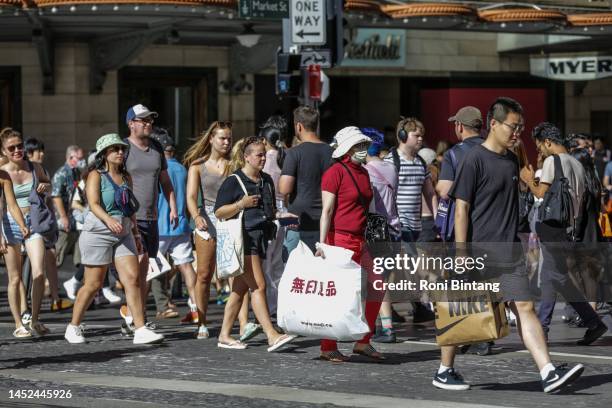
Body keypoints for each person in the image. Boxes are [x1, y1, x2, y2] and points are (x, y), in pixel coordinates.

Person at [433, 97, 585, 393]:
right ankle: (444, 370)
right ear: (493, 123)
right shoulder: (473, 159)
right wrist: (462, 252)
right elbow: (461, 208)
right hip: (477, 251)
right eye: (513, 127)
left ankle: (548, 372)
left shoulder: (512, 158)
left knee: (525, 307)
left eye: (521, 127)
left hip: (508, 250)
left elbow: (528, 187)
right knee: (461, 311)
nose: (518, 132)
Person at [64, 133, 163, 344]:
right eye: (114, 149)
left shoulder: (127, 177)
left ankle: (140, 329)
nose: (120, 152)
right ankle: (73, 327)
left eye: (121, 149)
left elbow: (130, 208)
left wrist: (136, 233)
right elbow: (94, 203)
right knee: (93, 283)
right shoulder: (96, 175)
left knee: (133, 280)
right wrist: (109, 220)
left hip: (124, 231)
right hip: (98, 232)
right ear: (104, 154)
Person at [521, 122, 607, 344]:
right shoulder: (577, 164)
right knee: (560, 280)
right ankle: (593, 322)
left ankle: (543, 328)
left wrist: (529, 180)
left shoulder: (552, 161)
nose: (540, 150)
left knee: (551, 278)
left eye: (540, 146)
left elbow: (541, 194)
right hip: (569, 229)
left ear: (548, 142)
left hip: (553, 228)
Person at [214, 136, 295, 351]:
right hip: (243, 240)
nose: (263, 159)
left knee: (238, 290)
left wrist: (285, 216)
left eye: (264, 155)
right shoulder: (234, 181)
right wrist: (241, 204)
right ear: (246, 157)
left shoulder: (266, 180)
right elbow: (219, 212)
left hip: (261, 240)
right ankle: (271, 334)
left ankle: (224, 335)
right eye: (259, 155)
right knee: (258, 286)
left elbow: (270, 211)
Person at [317, 127, 384, 362]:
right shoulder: (334, 172)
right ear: (347, 149)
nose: (363, 150)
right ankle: (328, 345)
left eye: (364, 146)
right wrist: (322, 243)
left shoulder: (364, 173)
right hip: (339, 239)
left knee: (378, 285)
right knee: (340, 294)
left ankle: (363, 340)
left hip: (361, 238)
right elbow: (327, 210)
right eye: (358, 146)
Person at [119, 104, 178, 335]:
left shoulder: (155, 148)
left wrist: (173, 207)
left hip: (152, 218)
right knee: (136, 270)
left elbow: (164, 181)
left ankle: (133, 315)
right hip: (130, 219)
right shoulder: (122, 148)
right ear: (131, 123)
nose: (148, 124)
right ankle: (137, 320)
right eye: (142, 120)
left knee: (145, 273)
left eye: (150, 120)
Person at [384, 117, 437, 323]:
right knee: (412, 267)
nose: (421, 139)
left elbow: (429, 192)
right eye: (416, 135)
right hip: (398, 225)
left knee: (400, 270)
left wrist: (436, 218)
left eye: (422, 135)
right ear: (403, 136)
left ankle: (401, 309)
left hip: (415, 225)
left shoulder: (421, 163)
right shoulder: (391, 162)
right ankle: (416, 306)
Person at [1, 128, 51, 338]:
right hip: (10, 223)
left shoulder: (34, 167)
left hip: (34, 222)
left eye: (19, 145)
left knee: (39, 272)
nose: (17, 150)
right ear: (3, 150)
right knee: (15, 277)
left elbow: (48, 187)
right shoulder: (2, 172)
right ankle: (18, 323)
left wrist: (44, 187)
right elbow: (6, 204)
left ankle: (35, 318)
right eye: (11, 147)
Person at [185, 121, 232, 339]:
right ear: (211, 139)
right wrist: (196, 217)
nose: (226, 142)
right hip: (207, 219)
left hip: (231, 218)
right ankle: (201, 322)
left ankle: (235, 322)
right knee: (204, 274)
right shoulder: (198, 165)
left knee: (234, 273)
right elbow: (191, 197)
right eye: (222, 138)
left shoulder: (235, 164)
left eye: (229, 138)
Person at [152, 128, 198, 324]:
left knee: (149, 268)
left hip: (160, 226)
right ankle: (196, 307)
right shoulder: (183, 169)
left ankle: (134, 312)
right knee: (186, 266)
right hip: (180, 225)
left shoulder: (156, 169)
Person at [24, 138, 72, 312]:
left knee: (50, 258)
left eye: (42, 150)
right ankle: (26, 305)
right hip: (28, 223)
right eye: (39, 151)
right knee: (29, 266)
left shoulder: (42, 170)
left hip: (44, 222)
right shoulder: (25, 171)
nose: (42, 154)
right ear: (29, 153)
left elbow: (49, 197)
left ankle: (55, 298)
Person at [279, 106, 334, 259]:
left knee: (296, 271)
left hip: (298, 222)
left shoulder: (294, 153)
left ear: (299, 126)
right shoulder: (332, 152)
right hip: (326, 222)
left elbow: (284, 189)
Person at [362, 127, 400, 344]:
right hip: (394, 228)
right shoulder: (392, 168)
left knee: (375, 281)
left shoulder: (366, 171)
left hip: (375, 231)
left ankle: (384, 327)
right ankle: (379, 325)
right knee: (382, 279)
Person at [260, 122, 288, 316]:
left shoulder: (266, 160)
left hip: (270, 212)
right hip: (284, 210)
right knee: (278, 262)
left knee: (266, 262)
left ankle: (269, 305)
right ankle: (278, 304)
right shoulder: (285, 156)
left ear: (264, 141)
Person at [51, 144, 84, 267]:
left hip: (74, 218)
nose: (82, 161)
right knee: (59, 251)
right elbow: (56, 196)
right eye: (79, 158)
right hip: (63, 219)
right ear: (71, 158)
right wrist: (63, 216)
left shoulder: (76, 172)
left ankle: (80, 279)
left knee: (79, 254)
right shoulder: (62, 173)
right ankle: (47, 281)